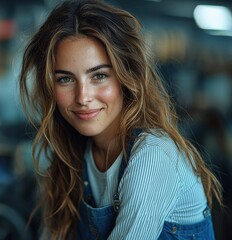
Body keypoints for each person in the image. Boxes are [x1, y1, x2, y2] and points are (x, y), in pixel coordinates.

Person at [19, 0, 223, 239]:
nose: (83, 97)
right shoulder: (72, 155)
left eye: (99, 76)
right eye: (65, 79)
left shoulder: (154, 155)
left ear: (127, 77)